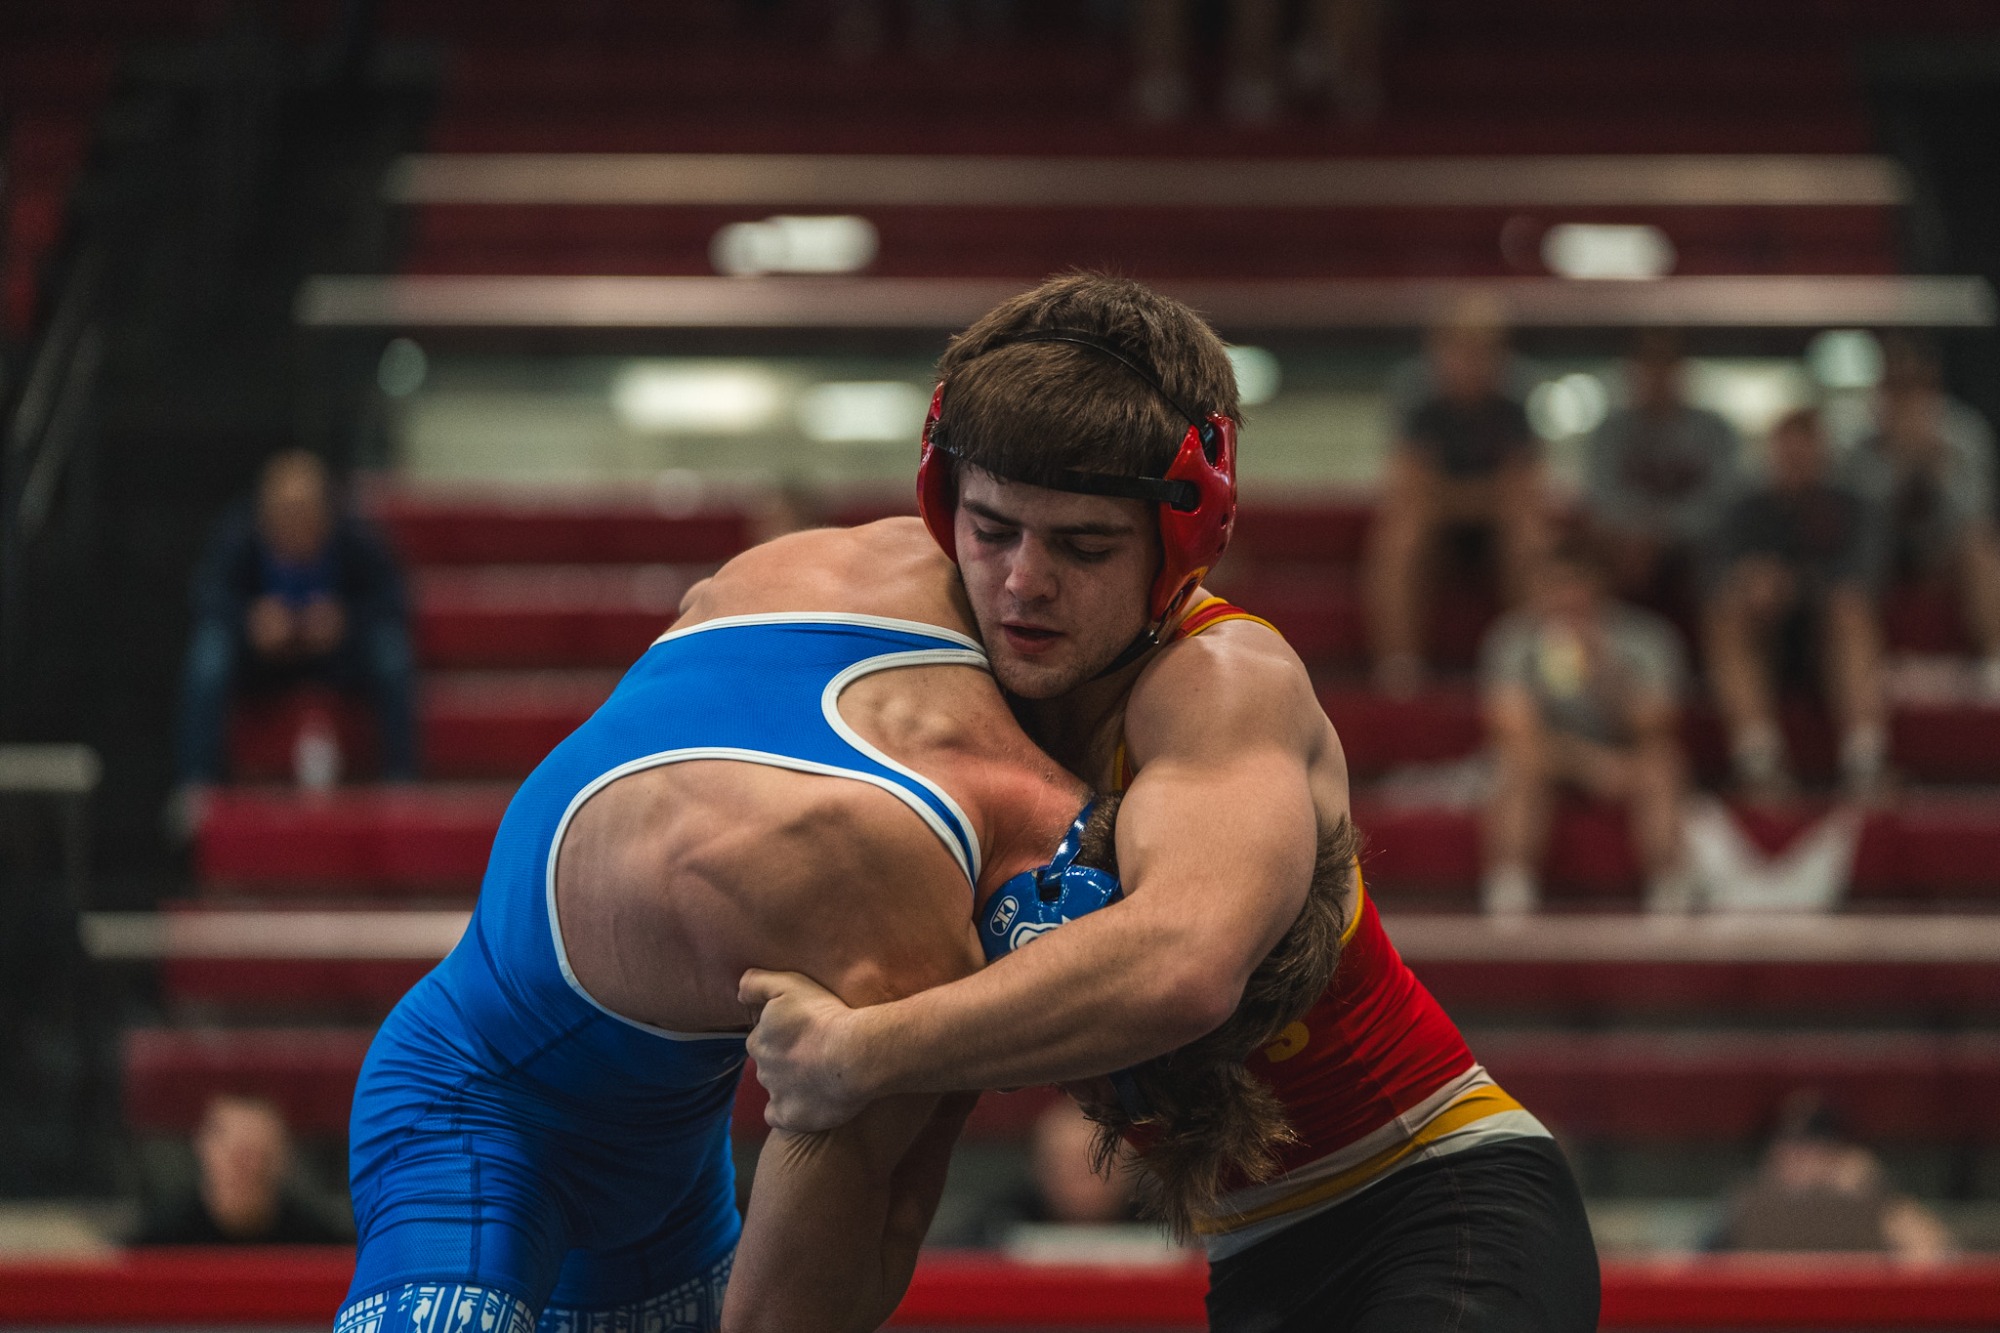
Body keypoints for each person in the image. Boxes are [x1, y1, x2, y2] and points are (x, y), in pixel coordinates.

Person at [742, 274, 1600, 1332]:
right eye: (992, 530)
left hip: (1432, 1195)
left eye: (1084, 545)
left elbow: (1181, 965)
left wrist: (853, 1052)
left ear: (1176, 546)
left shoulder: (1220, 680)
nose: (1023, 583)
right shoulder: (937, 668)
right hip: (1253, 1255)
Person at [336, 517, 1140, 1333]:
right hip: (472, 1119)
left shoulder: (916, 566)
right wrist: (964, 1056)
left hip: (674, 1156)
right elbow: (781, 1317)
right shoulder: (902, 952)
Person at [173, 450, 418, 793]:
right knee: (208, 654)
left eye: (305, 512)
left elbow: (392, 598)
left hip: (338, 657)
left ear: (326, 511)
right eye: (285, 512)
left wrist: (345, 620)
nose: (295, 523)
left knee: (391, 651)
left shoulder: (356, 536)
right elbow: (206, 595)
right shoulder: (238, 535)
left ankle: (401, 780)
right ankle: (197, 787)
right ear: (264, 512)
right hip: (262, 659)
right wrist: (249, 620)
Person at [1480, 538, 1693, 915]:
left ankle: (1669, 892)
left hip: (1628, 758)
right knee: (1518, 761)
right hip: (1551, 758)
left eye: (1575, 585)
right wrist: (1593, 766)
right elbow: (1512, 725)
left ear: (1599, 587)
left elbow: (1657, 725)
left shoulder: (1647, 639)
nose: (1565, 597)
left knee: (1663, 763)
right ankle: (1511, 894)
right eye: (1554, 585)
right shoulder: (1512, 639)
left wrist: (1606, 669)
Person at [1703, 407, 1889, 799]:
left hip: (1831, 644)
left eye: (1805, 451)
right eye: (1787, 452)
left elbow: (1866, 576)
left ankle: (1865, 761)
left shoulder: (1853, 508)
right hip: (1766, 645)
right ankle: (1758, 760)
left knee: (1850, 609)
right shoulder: (1744, 510)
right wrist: (1750, 583)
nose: (1795, 461)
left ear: (1824, 454)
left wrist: (1794, 586)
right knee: (1726, 614)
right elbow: (1713, 572)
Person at [1366, 301, 1549, 695]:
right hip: (1440, 528)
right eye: (1462, 350)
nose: (1472, 362)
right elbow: (1411, 491)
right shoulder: (1419, 402)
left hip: (1493, 528)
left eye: (1484, 351)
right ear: (1440, 352)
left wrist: (1453, 496)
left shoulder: (1516, 406)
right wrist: (1485, 496)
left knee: (1530, 537)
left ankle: (1529, 663)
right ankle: (1399, 666)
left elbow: (1524, 492)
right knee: (1401, 538)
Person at [1842, 334, 2000, 693]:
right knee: (1848, 566)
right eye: (1895, 387)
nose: (1906, 399)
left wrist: (1936, 465)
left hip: (1941, 554)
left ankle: (1995, 663)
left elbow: (1977, 513)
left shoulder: (1965, 433)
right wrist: (1898, 464)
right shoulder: (1859, 445)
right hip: (1881, 557)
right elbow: (1860, 521)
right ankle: (1863, 673)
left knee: (1983, 548)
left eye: (1915, 387)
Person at [1583, 330, 1742, 605]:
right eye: (1648, 366)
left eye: (1666, 366)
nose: (1657, 377)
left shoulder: (1714, 429)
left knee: (1725, 554)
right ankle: (1617, 633)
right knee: (1611, 547)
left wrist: (1662, 531)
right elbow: (1602, 499)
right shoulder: (1610, 431)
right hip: (1628, 545)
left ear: (1682, 372)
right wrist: (1640, 530)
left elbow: (1723, 501)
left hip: (1698, 546)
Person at [1713, 1091, 1956, 1262]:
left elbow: (1933, 1254)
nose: (1797, 1154)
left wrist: (1873, 1189)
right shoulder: (1748, 1206)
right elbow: (1693, 1266)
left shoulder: (1870, 1197)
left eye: (1813, 1140)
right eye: (1786, 1138)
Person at [131, 1094, 350, 1245]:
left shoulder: (314, 1246)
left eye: (257, 1154)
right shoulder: (161, 1243)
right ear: (204, 1149)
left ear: (282, 1159)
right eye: (234, 1155)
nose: (245, 1168)